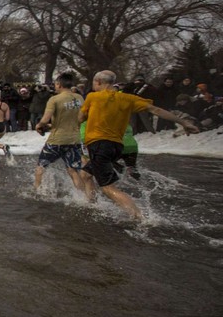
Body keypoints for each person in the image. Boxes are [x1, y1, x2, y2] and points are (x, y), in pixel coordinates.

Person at [79, 70, 200, 219]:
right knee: (85, 174)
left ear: (98, 82)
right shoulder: (128, 98)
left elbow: (80, 118)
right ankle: (92, 204)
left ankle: (139, 217)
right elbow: (155, 109)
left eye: (94, 83)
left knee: (108, 188)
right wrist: (183, 122)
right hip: (117, 147)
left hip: (99, 145)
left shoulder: (92, 97)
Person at [33, 72, 86, 192]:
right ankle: (82, 197)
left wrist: (39, 125)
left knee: (41, 167)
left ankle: (36, 191)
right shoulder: (79, 98)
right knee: (73, 170)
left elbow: (45, 119)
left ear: (59, 84)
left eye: (56, 84)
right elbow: (81, 117)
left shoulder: (54, 99)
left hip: (57, 140)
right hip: (74, 139)